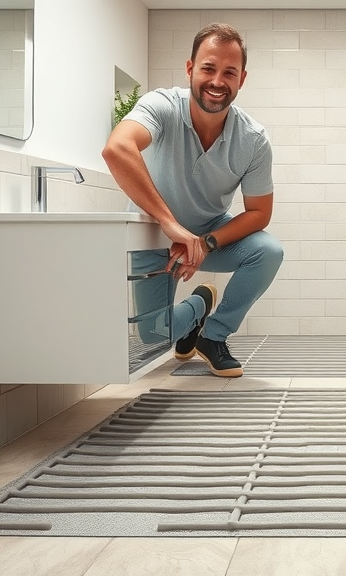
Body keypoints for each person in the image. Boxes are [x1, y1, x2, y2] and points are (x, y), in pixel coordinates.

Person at [102, 23, 282, 378]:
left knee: (268, 251)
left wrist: (205, 242)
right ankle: (199, 306)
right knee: (152, 336)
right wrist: (169, 224)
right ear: (190, 69)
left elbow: (260, 213)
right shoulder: (161, 106)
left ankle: (214, 336)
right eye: (208, 68)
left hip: (207, 234)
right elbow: (117, 149)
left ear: (241, 79)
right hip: (151, 233)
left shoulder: (254, 140)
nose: (217, 81)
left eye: (229, 72)